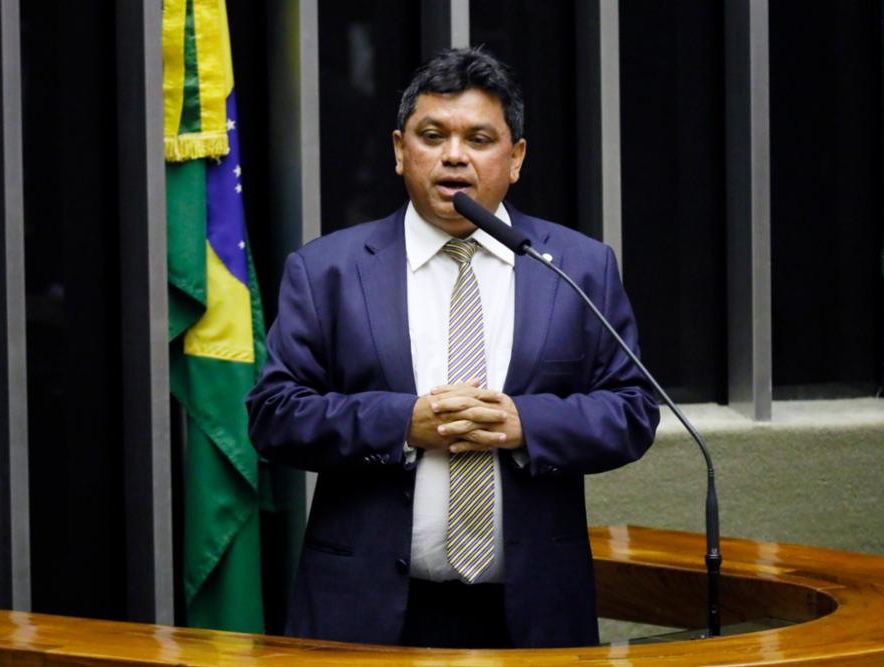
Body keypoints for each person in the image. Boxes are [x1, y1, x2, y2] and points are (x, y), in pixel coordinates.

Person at [246, 47, 659, 649]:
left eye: (479, 138)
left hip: (532, 610)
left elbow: (633, 410)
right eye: (432, 135)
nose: (454, 156)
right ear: (399, 150)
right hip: (365, 609)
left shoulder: (577, 267)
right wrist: (401, 423)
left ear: (515, 158)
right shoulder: (327, 270)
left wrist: (525, 423)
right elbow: (274, 415)